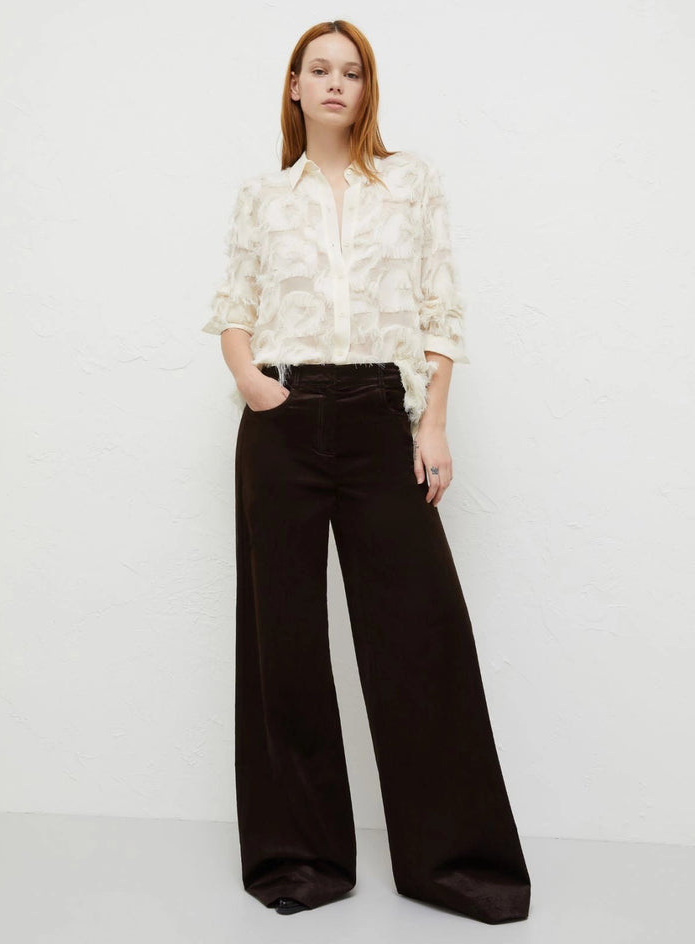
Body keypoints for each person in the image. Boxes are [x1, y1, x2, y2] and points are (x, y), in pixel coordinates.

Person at [202, 19, 532, 924]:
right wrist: (252, 384)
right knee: (284, 643)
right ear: (296, 86)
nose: (336, 83)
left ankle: (455, 865)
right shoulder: (263, 197)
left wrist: (434, 424)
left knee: (420, 634)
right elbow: (235, 305)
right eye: (320, 69)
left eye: (351, 71)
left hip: (383, 414)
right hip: (283, 415)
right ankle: (300, 861)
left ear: (366, 87)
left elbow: (439, 305)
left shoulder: (410, 185)